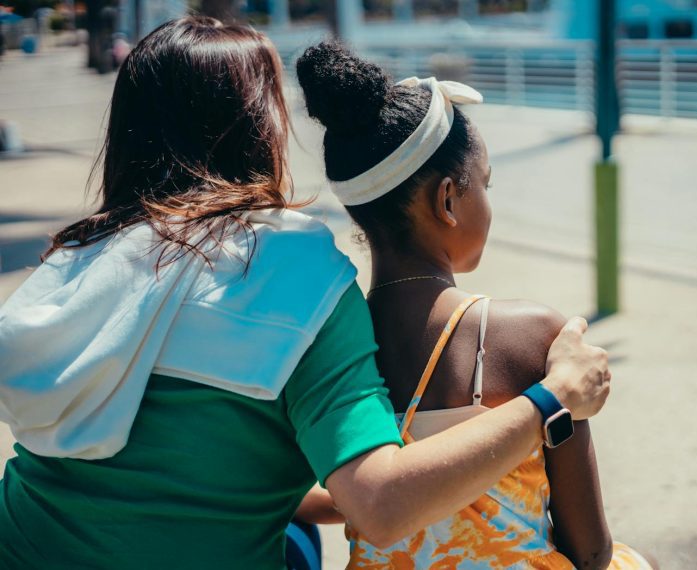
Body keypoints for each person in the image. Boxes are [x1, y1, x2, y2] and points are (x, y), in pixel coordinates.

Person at [0, 17, 612, 569]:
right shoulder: (290, 273)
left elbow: (178, 458)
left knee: (298, 538)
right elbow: (379, 505)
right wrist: (552, 399)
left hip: (20, 541)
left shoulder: (76, 259)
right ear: (256, 126)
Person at [295, 42, 655, 569]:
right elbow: (590, 548)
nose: (488, 201)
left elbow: (278, 485)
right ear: (447, 199)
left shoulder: (334, 342)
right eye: (484, 184)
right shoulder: (528, 336)